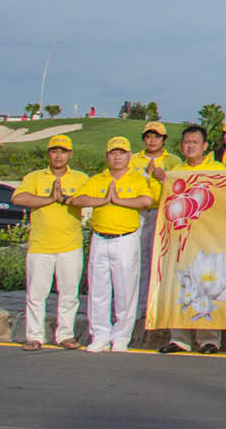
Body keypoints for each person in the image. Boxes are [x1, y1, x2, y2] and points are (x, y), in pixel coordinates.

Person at [70, 137, 158, 352]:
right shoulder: (98, 179)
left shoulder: (137, 178)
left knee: (125, 289)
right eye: (113, 153)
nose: (117, 157)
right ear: (107, 156)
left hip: (125, 239)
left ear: (129, 155)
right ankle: (99, 334)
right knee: (98, 289)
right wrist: (102, 201)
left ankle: (121, 336)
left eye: (121, 153)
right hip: (100, 237)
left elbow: (145, 201)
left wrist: (118, 201)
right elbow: (77, 200)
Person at [12, 134, 89, 350]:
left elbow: (88, 198)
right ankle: (34, 336)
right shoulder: (35, 177)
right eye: (54, 151)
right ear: (49, 154)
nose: (58, 155)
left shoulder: (80, 178)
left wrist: (67, 199)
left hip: (70, 245)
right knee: (36, 293)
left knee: (69, 294)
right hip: (40, 246)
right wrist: (48, 200)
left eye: (63, 151)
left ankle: (65, 335)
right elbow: (18, 198)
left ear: (70, 154)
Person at [160, 128, 226, 353]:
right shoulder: (176, 171)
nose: (190, 146)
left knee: (207, 284)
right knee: (179, 285)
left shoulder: (218, 170)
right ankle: (179, 338)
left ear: (205, 146)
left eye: (195, 142)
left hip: (209, 237)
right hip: (180, 239)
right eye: (186, 142)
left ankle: (209, 339)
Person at [135, 120, 180, 316]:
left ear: (164, 140)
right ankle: (140, 306)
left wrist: (164, 178)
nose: (152, 140)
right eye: (149, 136)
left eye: (157, 137)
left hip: (162, 212)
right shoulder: (133, 159)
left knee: (160, 261)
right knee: (139, 261)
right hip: (137, 213)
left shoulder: (173, 161)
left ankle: (158, 305)